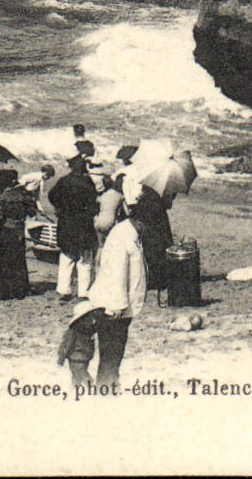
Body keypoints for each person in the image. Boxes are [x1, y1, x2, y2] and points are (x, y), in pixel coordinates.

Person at [62, 181, 148, 391]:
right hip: (110, 307)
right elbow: (117, 272)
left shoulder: (132, 234)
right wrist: (118, 305)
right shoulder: (122, 236)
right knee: (108, 354)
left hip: (117, 308)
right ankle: (102, 389)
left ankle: (102, 386)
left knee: (111, 354)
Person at [49, 154, 99, 299]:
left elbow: (52, 196)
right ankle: (84, 292)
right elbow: (93, 201)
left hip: (66, 223)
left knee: (67, 257)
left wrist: (60, 207)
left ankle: (64, 290)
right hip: (84, 224)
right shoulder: (88, 182)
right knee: (85, 259)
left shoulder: (64, 181)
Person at [0, 171, 34, 300]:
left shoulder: (2, 197)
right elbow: (31, 211)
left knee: (5, 261)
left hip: (6, 230)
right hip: (19, 229)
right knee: (19, 260)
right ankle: (21, 290)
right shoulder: (24, 195)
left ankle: (5, 292)